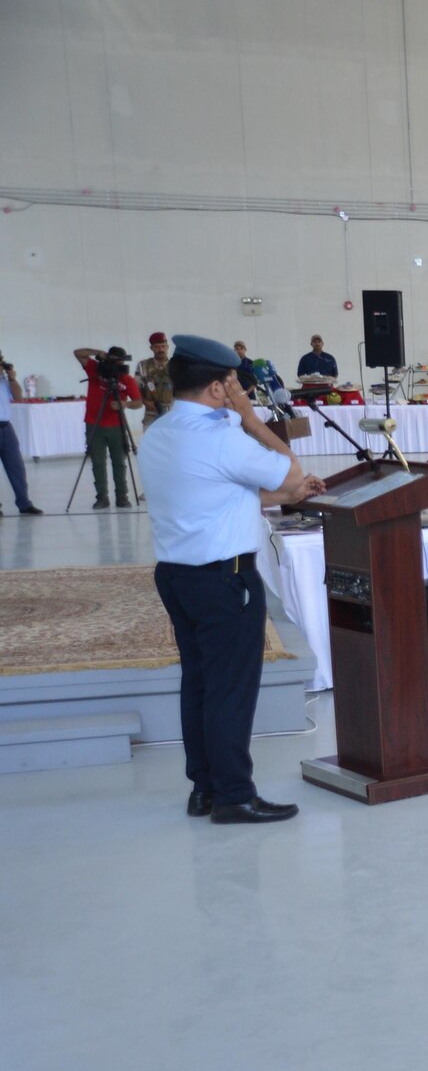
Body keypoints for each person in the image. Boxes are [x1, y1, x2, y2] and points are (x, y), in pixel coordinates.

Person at [135, 333, 322, 825]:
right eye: (233, 384)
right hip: (225, 580)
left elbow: (210, 494)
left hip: (177, 575)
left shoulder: (159, 432)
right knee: (230, 690)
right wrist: (251, 416)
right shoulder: (221, 436)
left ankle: (205, 789)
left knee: (199, 683)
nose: (238, 392)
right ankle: (235, 795)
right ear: (218, 389)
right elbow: (288, 470)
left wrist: (286, 493)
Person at [73, 344, 143, 508]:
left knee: (119, 461)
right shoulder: (95, 369)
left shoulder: (127, 379)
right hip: (94, 423)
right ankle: (102, 497)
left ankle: (122, 496)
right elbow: (78, 353)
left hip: (117, 425)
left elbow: (138, 402)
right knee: (97, 462)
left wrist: (123, 404)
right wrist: (98, 353)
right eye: (114, 361)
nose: (117, 365)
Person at [0, 349, 40, 515]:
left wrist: (12, 378)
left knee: (16, 467)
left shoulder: (4, 381)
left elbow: (18, 397)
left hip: (5, 427)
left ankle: (24, 504)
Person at [137, 332, 175, 427]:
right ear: (151, 348)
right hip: (151, 413)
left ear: (167, 347)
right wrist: (145, 402)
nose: (161, 349)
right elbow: (136, 388)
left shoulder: (175, 366)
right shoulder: (143, 366)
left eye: (163, 346)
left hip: (172, 413)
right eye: (157, 347)